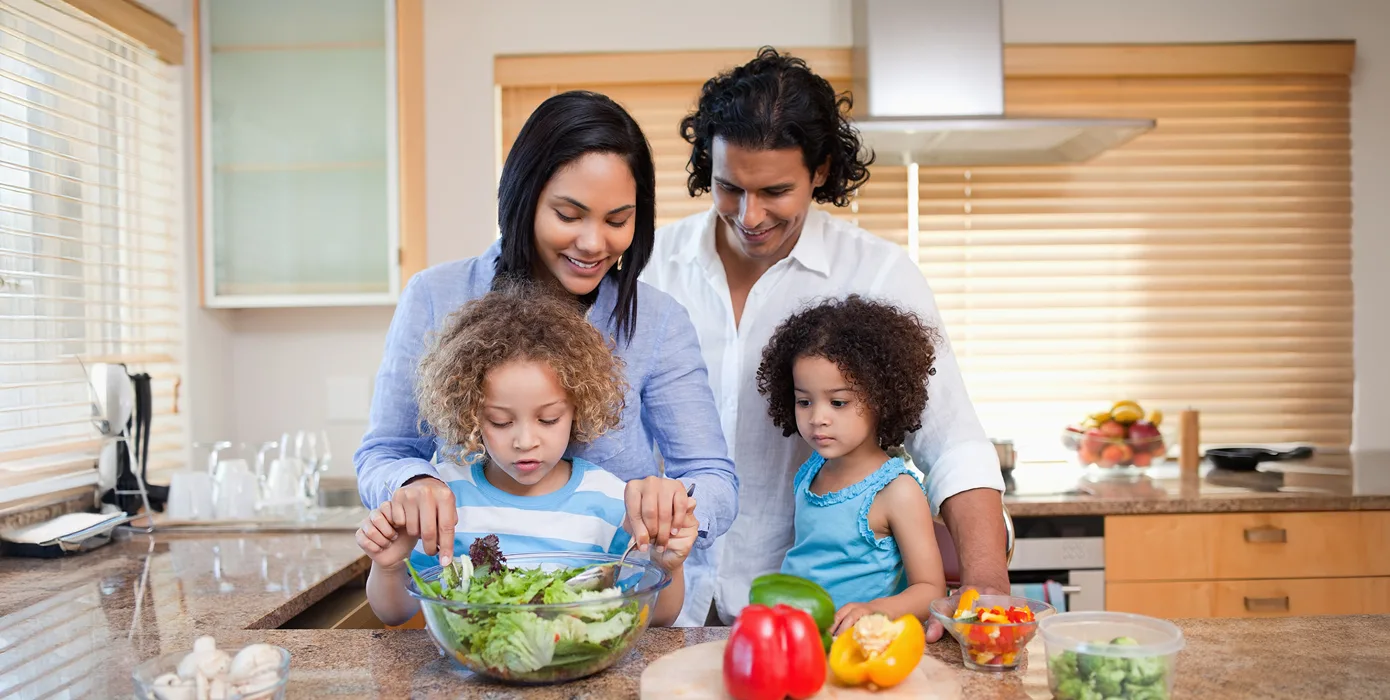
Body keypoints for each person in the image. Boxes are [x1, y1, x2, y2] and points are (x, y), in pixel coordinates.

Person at [640, 48, 1007, 633]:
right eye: (728, 187)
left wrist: (987, 583)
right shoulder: (648, 268)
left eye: (776, 191)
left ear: (820, 171)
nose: (750, 215)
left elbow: (952, 444)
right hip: (657, 600)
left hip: (805, 617)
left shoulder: (878, 274)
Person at [355, 91, 738, 621]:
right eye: (568, 214)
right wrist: (413, 486)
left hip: (613, 623)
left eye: (617, 219)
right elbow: (385, 451)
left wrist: (674, 504)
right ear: (525, 197)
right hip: (472, 630)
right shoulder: (434, 296)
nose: (592, 242)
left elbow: (713, 477)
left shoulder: (658, 320)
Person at [357, 284, 698, 627]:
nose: (525, 441)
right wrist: (388, 566)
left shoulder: (609, 501)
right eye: (501, 422)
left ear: (577, 409)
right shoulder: (445, 500)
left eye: (548, 419)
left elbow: (659, 619)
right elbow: (395, 612)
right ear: (470, 415)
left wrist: (668, 564)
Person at [755, 296, 946, 636]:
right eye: (804, 401)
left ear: (881, 398)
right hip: (797, 640)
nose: (817, 418)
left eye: (838, 402)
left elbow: (931, 589)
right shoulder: (810, 472)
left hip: (856, 647)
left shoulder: (897, 491)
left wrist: (875, 610)